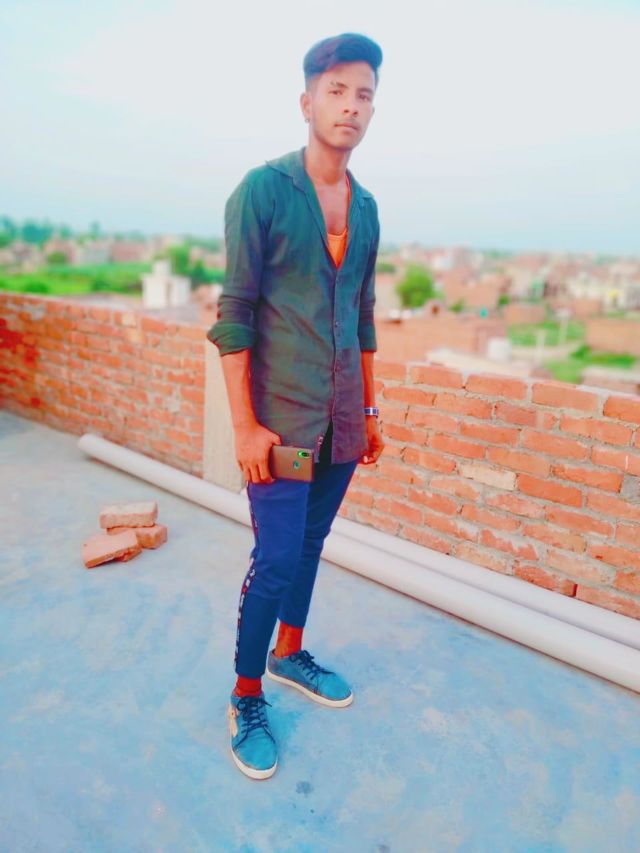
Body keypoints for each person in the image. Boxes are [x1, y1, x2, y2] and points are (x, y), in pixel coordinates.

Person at [207, 31, 385, 780]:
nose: (350, 106)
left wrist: (369, 412)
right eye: (336, 91)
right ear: (307, 101)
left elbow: (363, 315)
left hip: (341, 419)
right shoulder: (264, 191)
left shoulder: (366, 207)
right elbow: (234, 313)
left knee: (310, 546)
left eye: (364, 94)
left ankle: (289, 654)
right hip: (279, 423)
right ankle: (246, 694)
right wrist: (244, 426)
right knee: (276, 555)